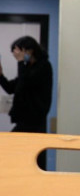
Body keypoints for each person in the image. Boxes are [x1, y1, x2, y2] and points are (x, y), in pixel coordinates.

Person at [0, 36, 53, 169]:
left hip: (34, 120)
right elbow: (11, 88)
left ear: (29, 50)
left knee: (29, 156)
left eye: (19, 52)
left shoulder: (43, 67)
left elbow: (25, 83)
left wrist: (20, 62)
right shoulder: (28, 68)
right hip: (24, 119)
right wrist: (0, 75)